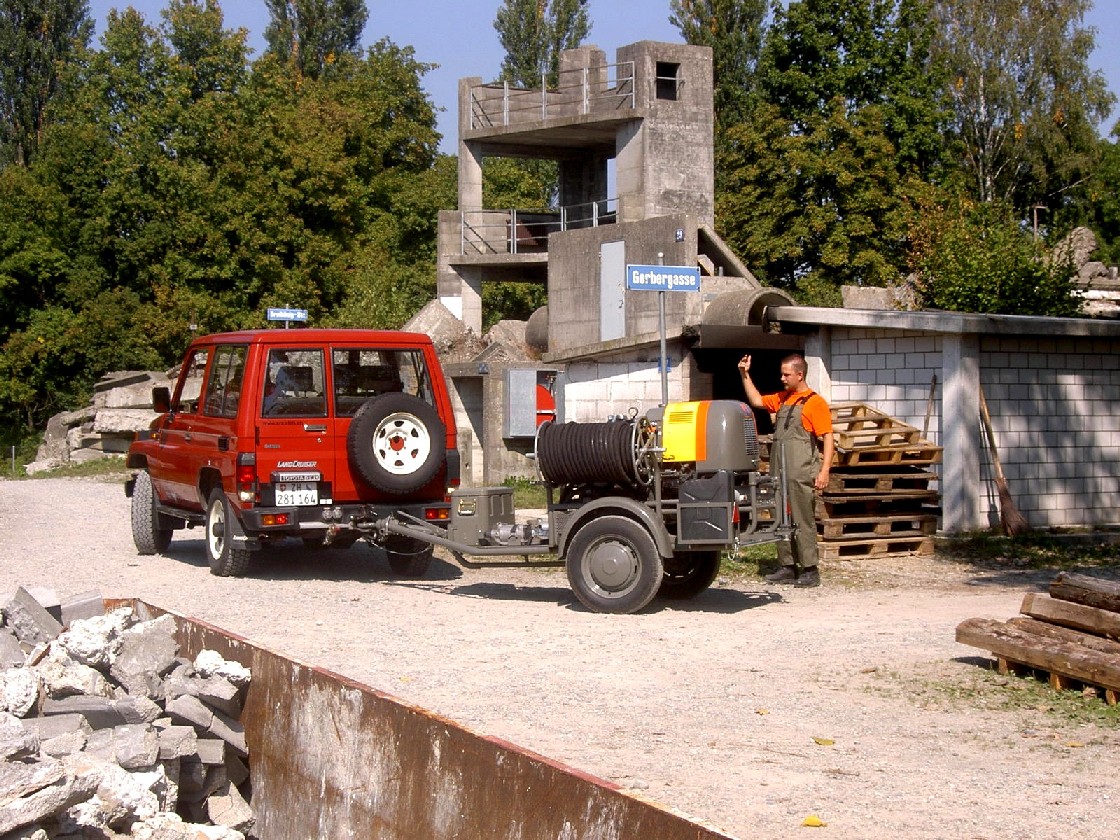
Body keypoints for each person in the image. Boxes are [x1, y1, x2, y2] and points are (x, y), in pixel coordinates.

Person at [738, 353, 835, 587]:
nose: (782, 378)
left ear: (799, 375)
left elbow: (828, 438)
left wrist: (824, 472)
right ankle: (787, 566)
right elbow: (757, 401)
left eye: (786, 374)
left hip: (800, 472)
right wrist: (744, 374)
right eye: (782, 373)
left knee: (803, 519)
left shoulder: (815, 403)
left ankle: (810, 569)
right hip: (778, 471)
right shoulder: (784, 399)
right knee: (781, 518)